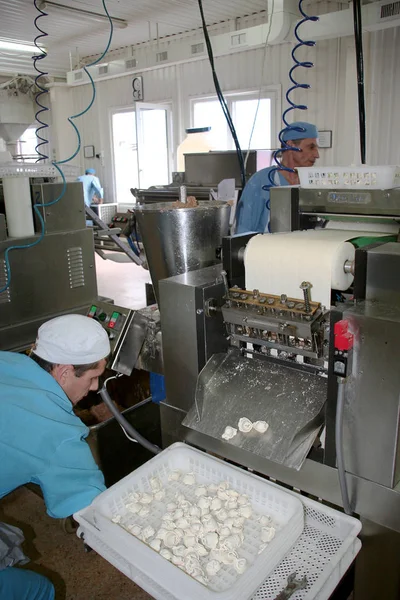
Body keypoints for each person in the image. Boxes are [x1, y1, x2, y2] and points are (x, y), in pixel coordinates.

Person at [0, 314, 111, 600]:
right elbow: (93, 509)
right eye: (92, 377)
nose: (96, 387)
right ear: (64, 372)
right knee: (38, 590)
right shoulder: (58, 434)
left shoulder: (7, 362)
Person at [236, 122, 319, 234]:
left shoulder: (313, 182)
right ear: (291, 145)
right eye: (311, 147)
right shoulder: (260, 181)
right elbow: (243, 232)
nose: (316, 154)